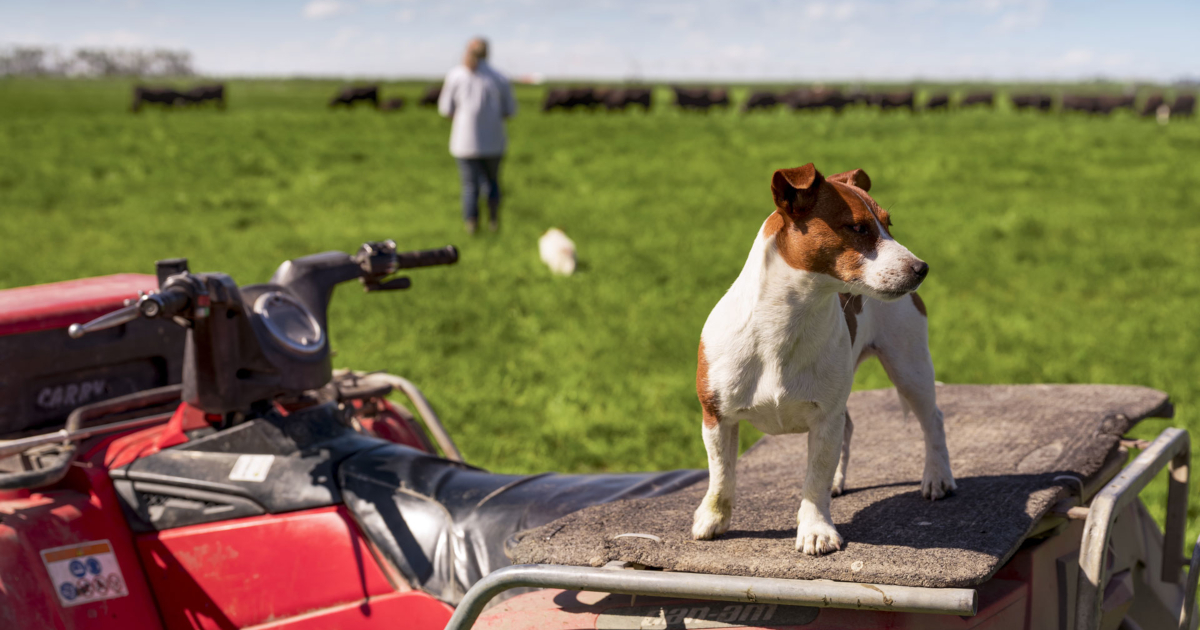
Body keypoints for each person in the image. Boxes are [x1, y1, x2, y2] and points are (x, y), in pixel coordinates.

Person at [438, 38, 518, 234]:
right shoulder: (499, 78)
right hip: (494, 141)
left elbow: (445, 109)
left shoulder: (456, 76)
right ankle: (493, 222)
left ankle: (471, 226)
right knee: (492, 183)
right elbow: (510, 111)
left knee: (469, 186)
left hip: (464, 143)